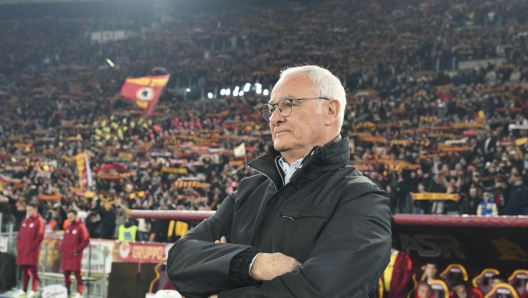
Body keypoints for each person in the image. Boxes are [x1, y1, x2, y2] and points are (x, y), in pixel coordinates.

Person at [167, 65, 392, 297]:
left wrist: (219, 283)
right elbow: (179, 260)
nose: (274, 118)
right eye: (271, 109)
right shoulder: (249, 191)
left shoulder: (362, 198)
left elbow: (320, 292)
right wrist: (254, 264)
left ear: (330, 111)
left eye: (288, 105)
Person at [15, 203, 45, 298]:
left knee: (33, 270)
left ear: (35, 210)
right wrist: (19, 246)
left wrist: (32, 247)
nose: (28, 212)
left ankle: (33, 290)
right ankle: (24, 290)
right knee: (25, 271)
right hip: (23, 251)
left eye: (30, 210)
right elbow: (20, 235)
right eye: (27, 210)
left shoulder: (39, 221)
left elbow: (40, 237)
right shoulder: (25, 221)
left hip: (32, 251)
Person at [60, 209, 90, 298]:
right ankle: (67, 291)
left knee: (77, 273)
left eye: (71, 217)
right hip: (66, 254)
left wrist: (78, 250)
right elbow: (65, 240)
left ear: (76, 216)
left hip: (75, 255)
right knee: (66, 273)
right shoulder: (68, 227)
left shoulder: (81, 226)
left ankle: (79, 293)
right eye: (68, 217)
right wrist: (62, 250)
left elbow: (86, 240)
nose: (70, 219)